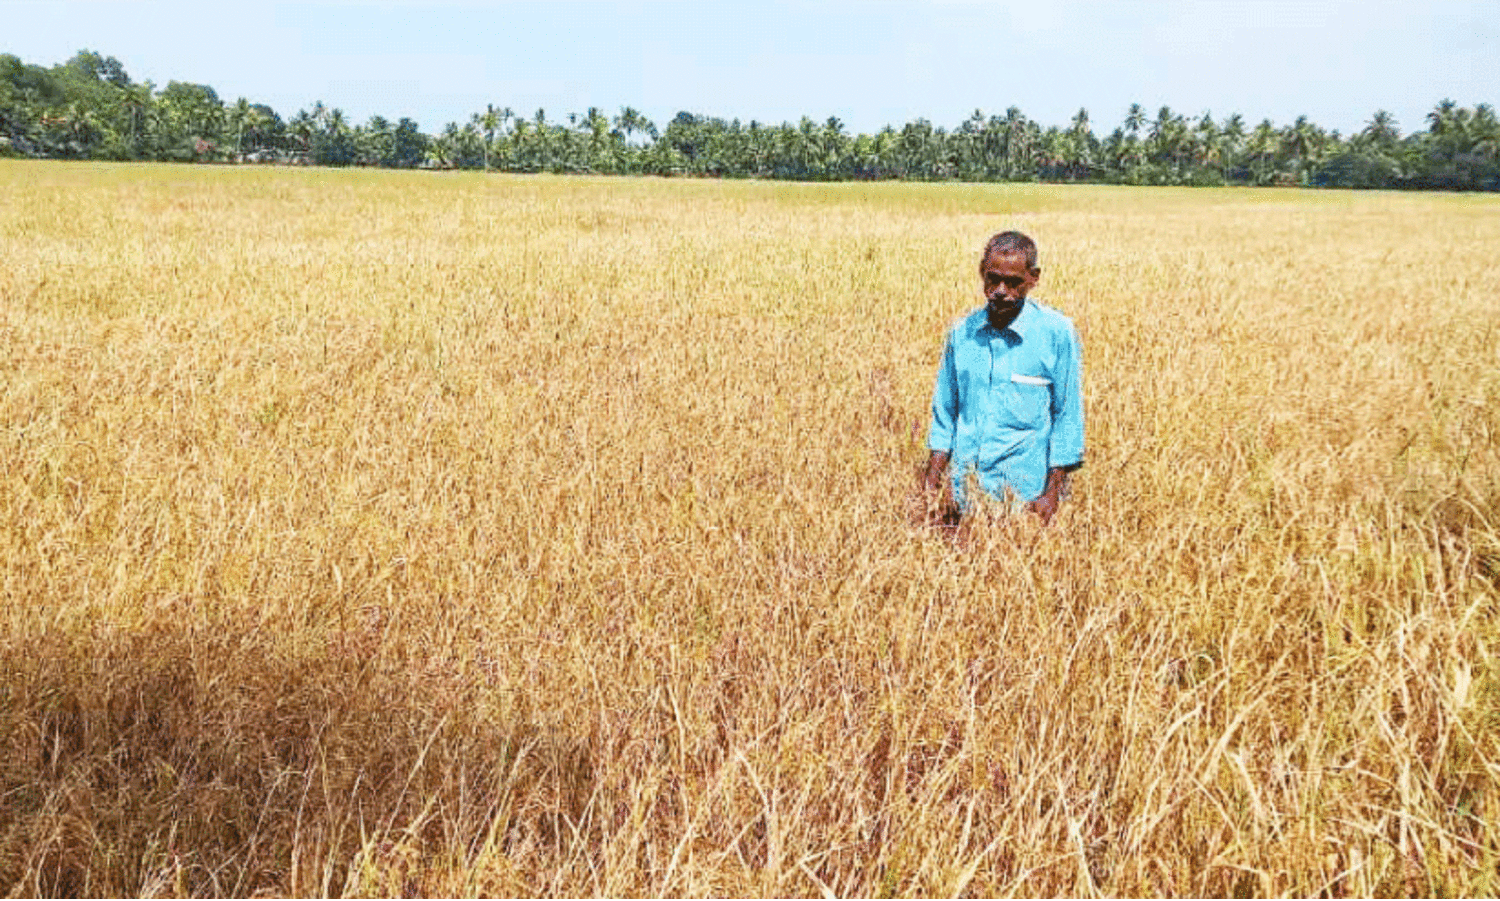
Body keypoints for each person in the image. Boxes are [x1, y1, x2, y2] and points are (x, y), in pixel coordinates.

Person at [920, 231, 1084, 526]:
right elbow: (945, 415)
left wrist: (1052, 495)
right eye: (993, 279)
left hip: (1024, 500)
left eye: (1013, 282)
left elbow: (1066, 416)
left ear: (1033, 278)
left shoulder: (1056, 334)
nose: (1000, 290)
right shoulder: (962, 334)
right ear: (982, 273)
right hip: (963, 496)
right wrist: (931, 489)